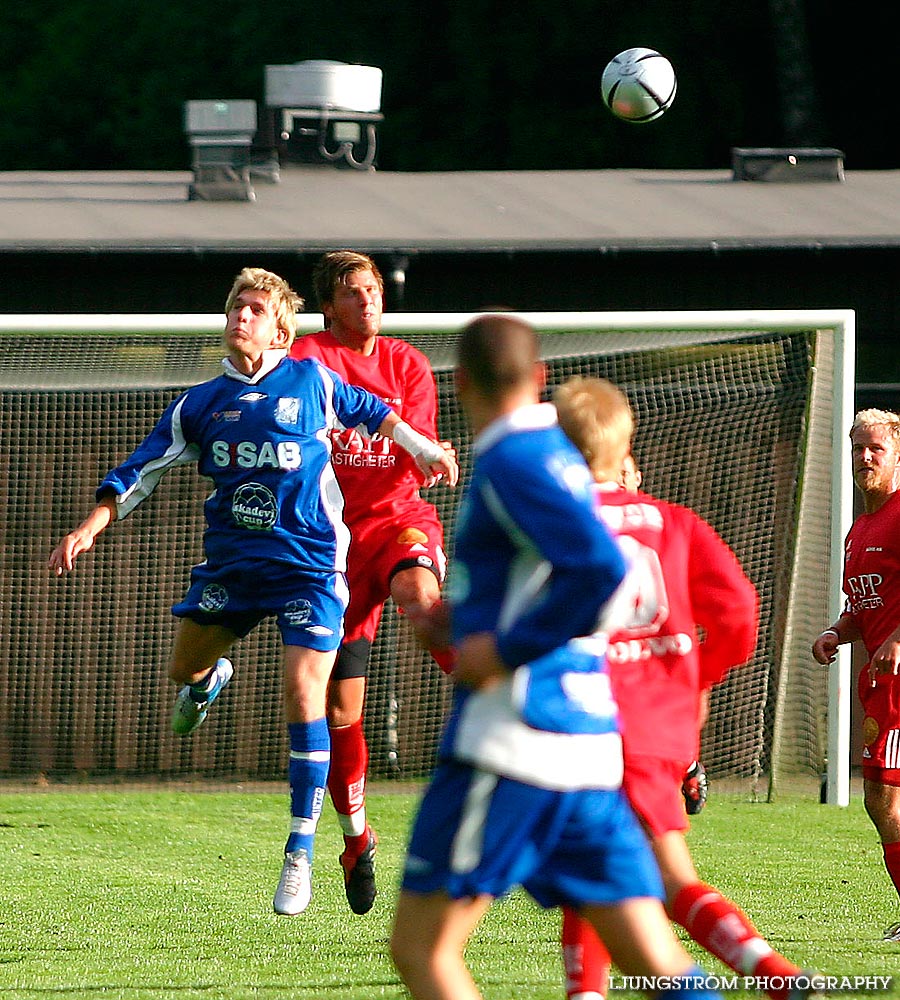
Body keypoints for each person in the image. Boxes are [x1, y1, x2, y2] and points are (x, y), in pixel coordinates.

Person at [48, 266, 457, 918]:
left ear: (280, 328)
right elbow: (139, 469)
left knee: (308, 695)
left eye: (256, 309)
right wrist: (90, 526)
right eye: (237, 307)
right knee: (183, 669)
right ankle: (207, 682)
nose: (242, 316)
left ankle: (300, 853)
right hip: (234, 572)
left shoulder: (312, 380)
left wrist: (422, 447)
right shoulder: (200, 402)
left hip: (313, 568)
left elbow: (376, 412)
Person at [390, 315, 728, 1000]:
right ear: (541, 377)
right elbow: (550, 576)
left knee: (423, 951)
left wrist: (504, 649)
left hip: (515, 742)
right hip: (586, 745)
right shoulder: (557, 456)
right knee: (656, 963)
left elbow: (602, 568)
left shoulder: (515, 459)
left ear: (458, 384)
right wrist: (456, 622)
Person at [554, 375, 817, 1000]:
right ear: (627, 454)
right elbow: (741, 612)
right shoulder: (674, 522)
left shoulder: (552, 526)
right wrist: (700, 679)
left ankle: (766, 976)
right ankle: (777, 979)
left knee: (603, 868)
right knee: (642, 872)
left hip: (583, 720)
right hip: (663, 725)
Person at [289, 250, 454, 915]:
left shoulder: (407, 364)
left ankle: (497, 703)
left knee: (420, 596)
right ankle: (356, 838)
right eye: (353, 293)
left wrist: (427, 453)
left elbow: (413, 447)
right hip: (332, 541)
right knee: (339, 714)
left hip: (396, 519)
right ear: (328, 305)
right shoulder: (309, 358)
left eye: (375, 290)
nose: (368, 301)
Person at [812, 407, 900, 942]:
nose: (865, 457)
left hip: (899, 685)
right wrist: (835, 632)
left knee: (883, 799)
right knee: (884, 799)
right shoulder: (859, 528)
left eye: (877, 448)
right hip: (881, 685)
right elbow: (865, 607)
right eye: (858, 447)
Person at [621, 454, 709, 816]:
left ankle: (687, 764)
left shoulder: (665, 523)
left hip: (664, 645)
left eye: (626, 473)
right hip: (622, 652)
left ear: (638, 477)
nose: (620, 479)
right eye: (614, 472)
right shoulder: (589, 521)